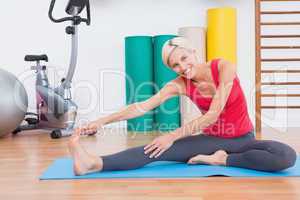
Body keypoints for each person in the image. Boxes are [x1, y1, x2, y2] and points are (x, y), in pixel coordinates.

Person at [68, 37, 297, 176]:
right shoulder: (179, 84)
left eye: (185, 58)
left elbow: (214, 112)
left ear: (194, 52)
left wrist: (172, 135)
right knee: (155, 150)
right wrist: (101, 121)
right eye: (175, 65)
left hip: (245, 138)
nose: (183, 67)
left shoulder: (223, 67)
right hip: (212, 140)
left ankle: (221, 159)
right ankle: (93, 163)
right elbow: (142, 107)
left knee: (286, 156)